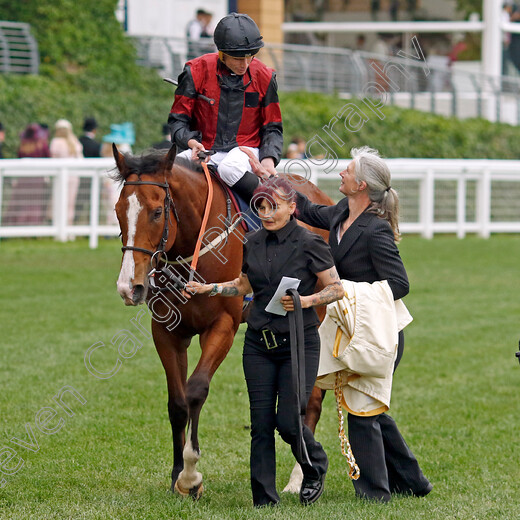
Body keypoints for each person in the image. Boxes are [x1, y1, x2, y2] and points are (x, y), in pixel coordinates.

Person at [273, 146, 432, 503]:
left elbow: (400, 284)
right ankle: (414, 481)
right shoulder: (342, 212)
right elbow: (310, 208)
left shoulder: (375, 230)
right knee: (370, 407)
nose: (340, 174)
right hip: (352, 330)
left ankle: (375, 495)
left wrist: (349, 292)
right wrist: (269, 180)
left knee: (362, 412)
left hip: (379, 332)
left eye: (347, 171)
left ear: (360, 185)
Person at [186, 176, 343, 507]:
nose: (266, 213)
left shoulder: (310, 242)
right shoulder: (252, 241)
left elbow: (336, 289)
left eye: (273, 206)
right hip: (258, 343)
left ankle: (314, 465)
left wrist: (305, 301)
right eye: (260, 207)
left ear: (291, 207)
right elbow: (244, 285)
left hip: (298, 343)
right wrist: (211, 289)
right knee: (260, 425)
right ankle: (264, 500)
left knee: (288, 422)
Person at [168, 12, 282, 209]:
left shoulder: (264, 76)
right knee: (167, 169)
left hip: (245, 152)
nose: (245, 65)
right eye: (238, 58)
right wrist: (191, 142)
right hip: (204, 150)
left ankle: (273, 206)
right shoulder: (195, 71)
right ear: (221, 53)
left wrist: (268, 160)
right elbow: (178, 121)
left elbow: (273, 128)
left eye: (250, 57)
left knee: (229, 169)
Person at [50, 119, 83, 226]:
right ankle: (68, 226)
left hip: (60, 177)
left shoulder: (56, 142)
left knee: (59, 201)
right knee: (70, 203)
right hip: (73, 177)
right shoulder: (75, 142)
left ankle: (59, 226)